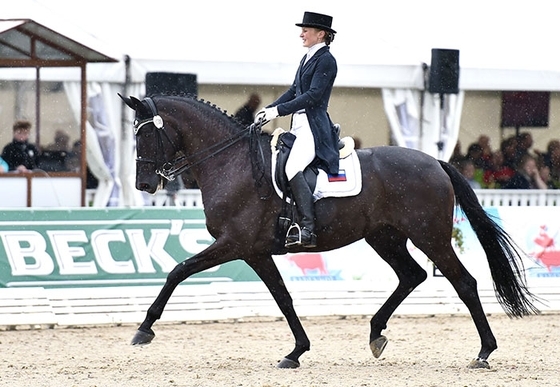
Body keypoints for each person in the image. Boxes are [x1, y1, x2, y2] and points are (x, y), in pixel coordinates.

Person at [255, 11, 340, 248]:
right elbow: (294, 90)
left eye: (305, 30)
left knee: (293, 167)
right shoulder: (307, 58)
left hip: (314, 126)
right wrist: (269, 109)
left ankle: (307, 229)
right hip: (299, 124)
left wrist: (279, 111)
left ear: (320, 33)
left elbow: (312, 96)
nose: (301, 34)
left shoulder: (326, 60)